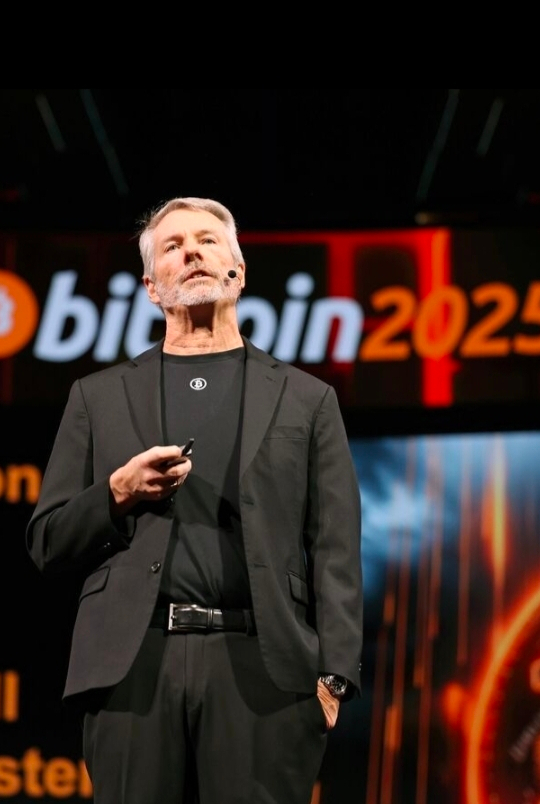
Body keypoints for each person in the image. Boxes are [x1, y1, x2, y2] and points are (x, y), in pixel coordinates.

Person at [26, 196, 363, 804]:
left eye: (207, 241)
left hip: (265, 670)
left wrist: (335, 676)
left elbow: (336, 545)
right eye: (173, 246)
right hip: (132, 669)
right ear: (151, 287)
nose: (192, 253)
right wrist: (117, 492)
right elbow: (47, 540)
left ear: (238, 272)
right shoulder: (97, 397)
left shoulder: (307, 399)